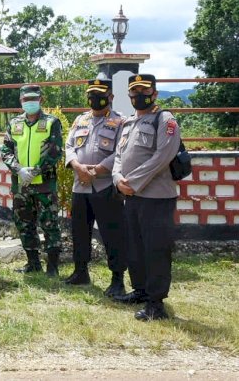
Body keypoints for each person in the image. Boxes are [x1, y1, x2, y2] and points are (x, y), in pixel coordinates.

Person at [112, 74, 180, 321]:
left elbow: (163, 156)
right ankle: (140, 290)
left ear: (155, 93)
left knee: (156, 249)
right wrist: (118, 178)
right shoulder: (128, 122)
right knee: (135, 247)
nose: (138, 95)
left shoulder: (165, 119)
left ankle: (156, 303)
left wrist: (133, 182)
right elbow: (118, 155)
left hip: (156, 197)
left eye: (144, 91)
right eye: (134, 92)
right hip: (132, 196)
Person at [63, 78, 127, 297]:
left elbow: (121, 153)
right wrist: (77, 166)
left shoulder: (121, 122)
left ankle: (117, 279)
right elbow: (69, 145)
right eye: (92, 94)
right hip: (80, 186)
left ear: (110, 97)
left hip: (105, 186)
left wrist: (97, 170)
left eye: (100, 95)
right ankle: (81, 272)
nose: (95, 99)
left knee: (112, 234)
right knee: (80, 231)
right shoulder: (80, 120)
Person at [1, 84, 64, 276]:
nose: (30, 103)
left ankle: (52, 267)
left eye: (33, 99)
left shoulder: (52, 122)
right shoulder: (14, 124)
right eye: (26, 100)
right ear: (21, 101)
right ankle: (33, 263)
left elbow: (55, 152)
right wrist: (19, 170)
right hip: (21, 185)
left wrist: (35, 171)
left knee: (50, 224)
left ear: (41, 100)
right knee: (24, 224)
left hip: (44, 184)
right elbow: (6, 151)